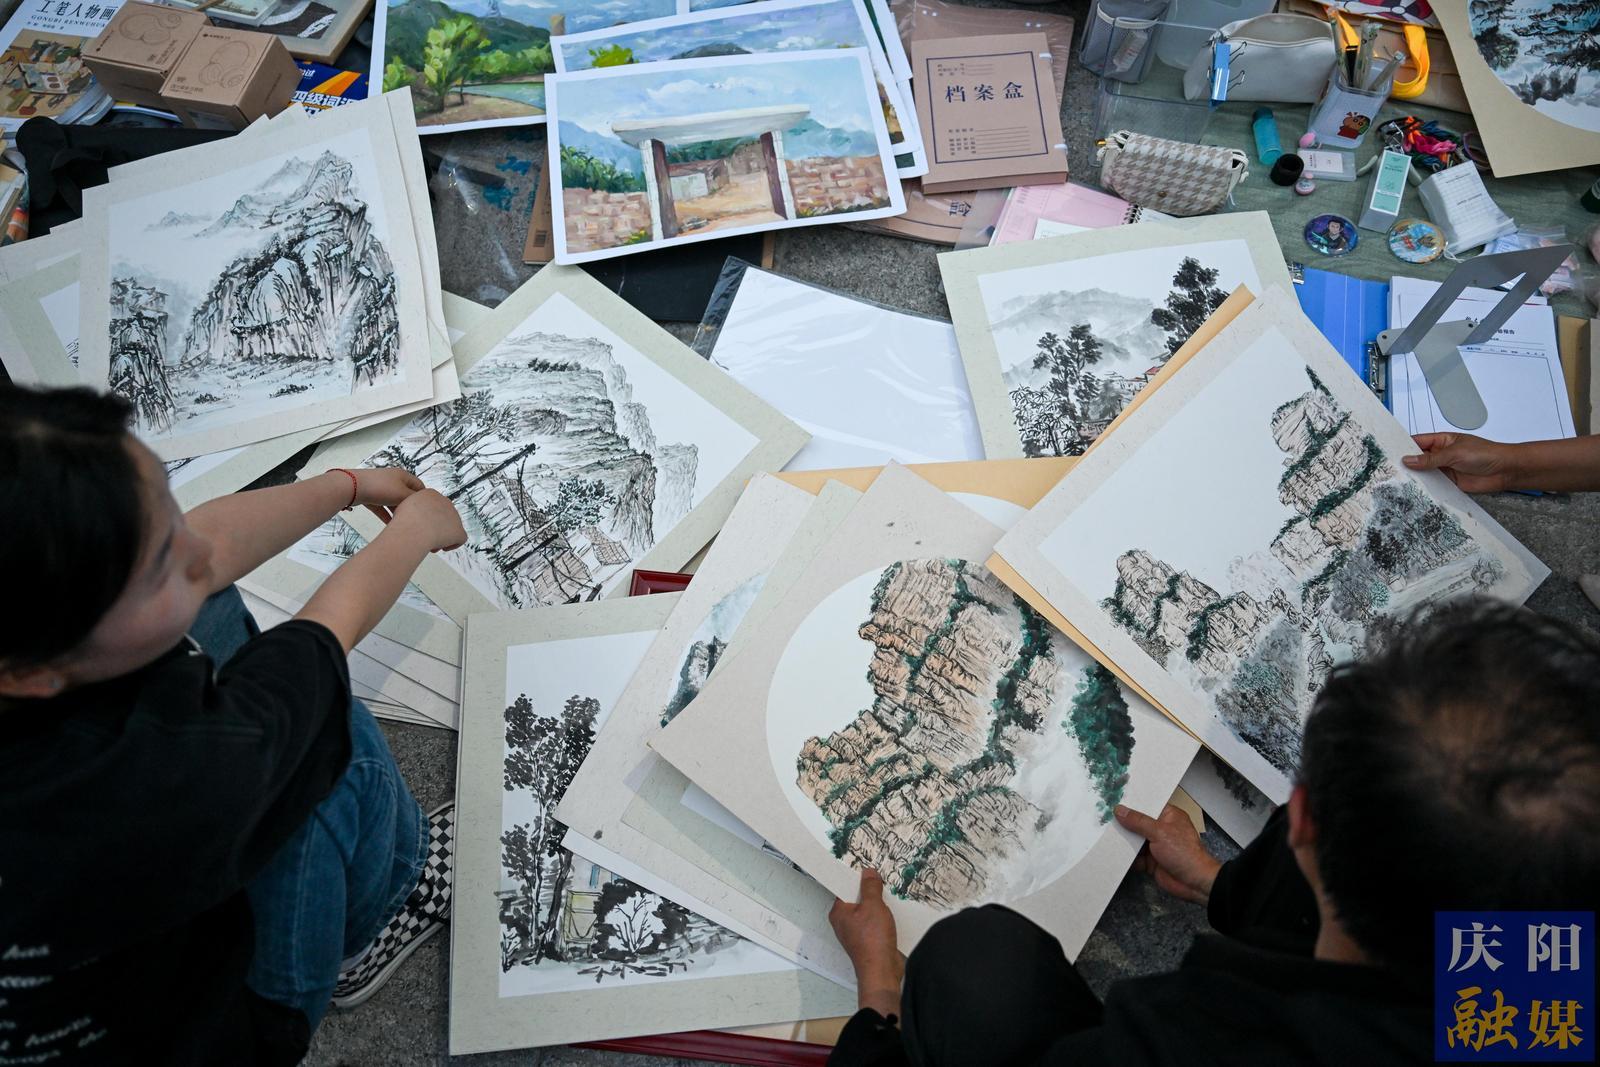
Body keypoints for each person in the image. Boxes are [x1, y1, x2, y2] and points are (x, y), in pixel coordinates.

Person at [824, 599, 1600, 1066]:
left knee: (971, 964)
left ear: (1300, 815)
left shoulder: (1201, 1039)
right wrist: (1217, 880)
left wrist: (881, 996)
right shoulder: (1551, 984)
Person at [0, 385, 468, 1065]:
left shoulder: (28, 624)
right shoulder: (169, 768)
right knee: (335, 748)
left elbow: (205, 545)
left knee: (204, 600)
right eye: (156, 567)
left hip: (109, 922)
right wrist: (416, 531)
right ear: (31, 672)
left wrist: (349, 484)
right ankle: (387, 909)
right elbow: (320, 641)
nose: (191, 550)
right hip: (210, 1022)